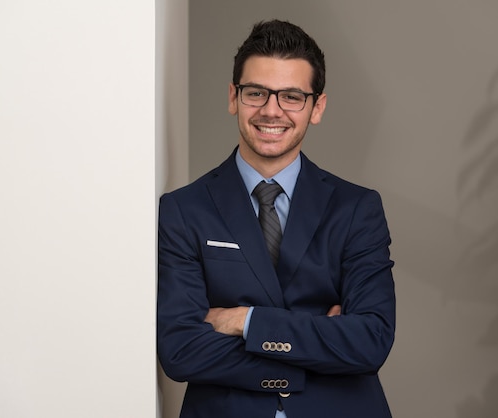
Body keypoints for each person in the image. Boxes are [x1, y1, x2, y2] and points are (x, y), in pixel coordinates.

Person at [157, 19, 395, 418]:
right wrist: (319, 346)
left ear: (316, 107)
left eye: (291, 96)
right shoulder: (184, 209)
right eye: (256, 93)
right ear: (234, 97)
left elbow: (370, 340)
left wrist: (245, 320)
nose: (271, 110)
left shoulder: (357, 209)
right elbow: (181, 350)